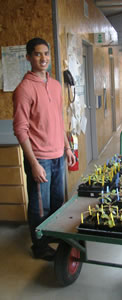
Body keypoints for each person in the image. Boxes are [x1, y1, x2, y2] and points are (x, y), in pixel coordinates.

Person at [13, 38, 76, 261]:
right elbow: (21, 130)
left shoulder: (56, 85)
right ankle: (39, 246)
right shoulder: (24, 89)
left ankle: (55, 234)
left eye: (46, 54)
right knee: (41, 207)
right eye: (38, 54)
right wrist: (33, 163)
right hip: (40, 158)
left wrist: (67, 148)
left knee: (58, 201)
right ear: (28, 57)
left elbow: (59, 119)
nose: (43, 58)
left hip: (59, 154)